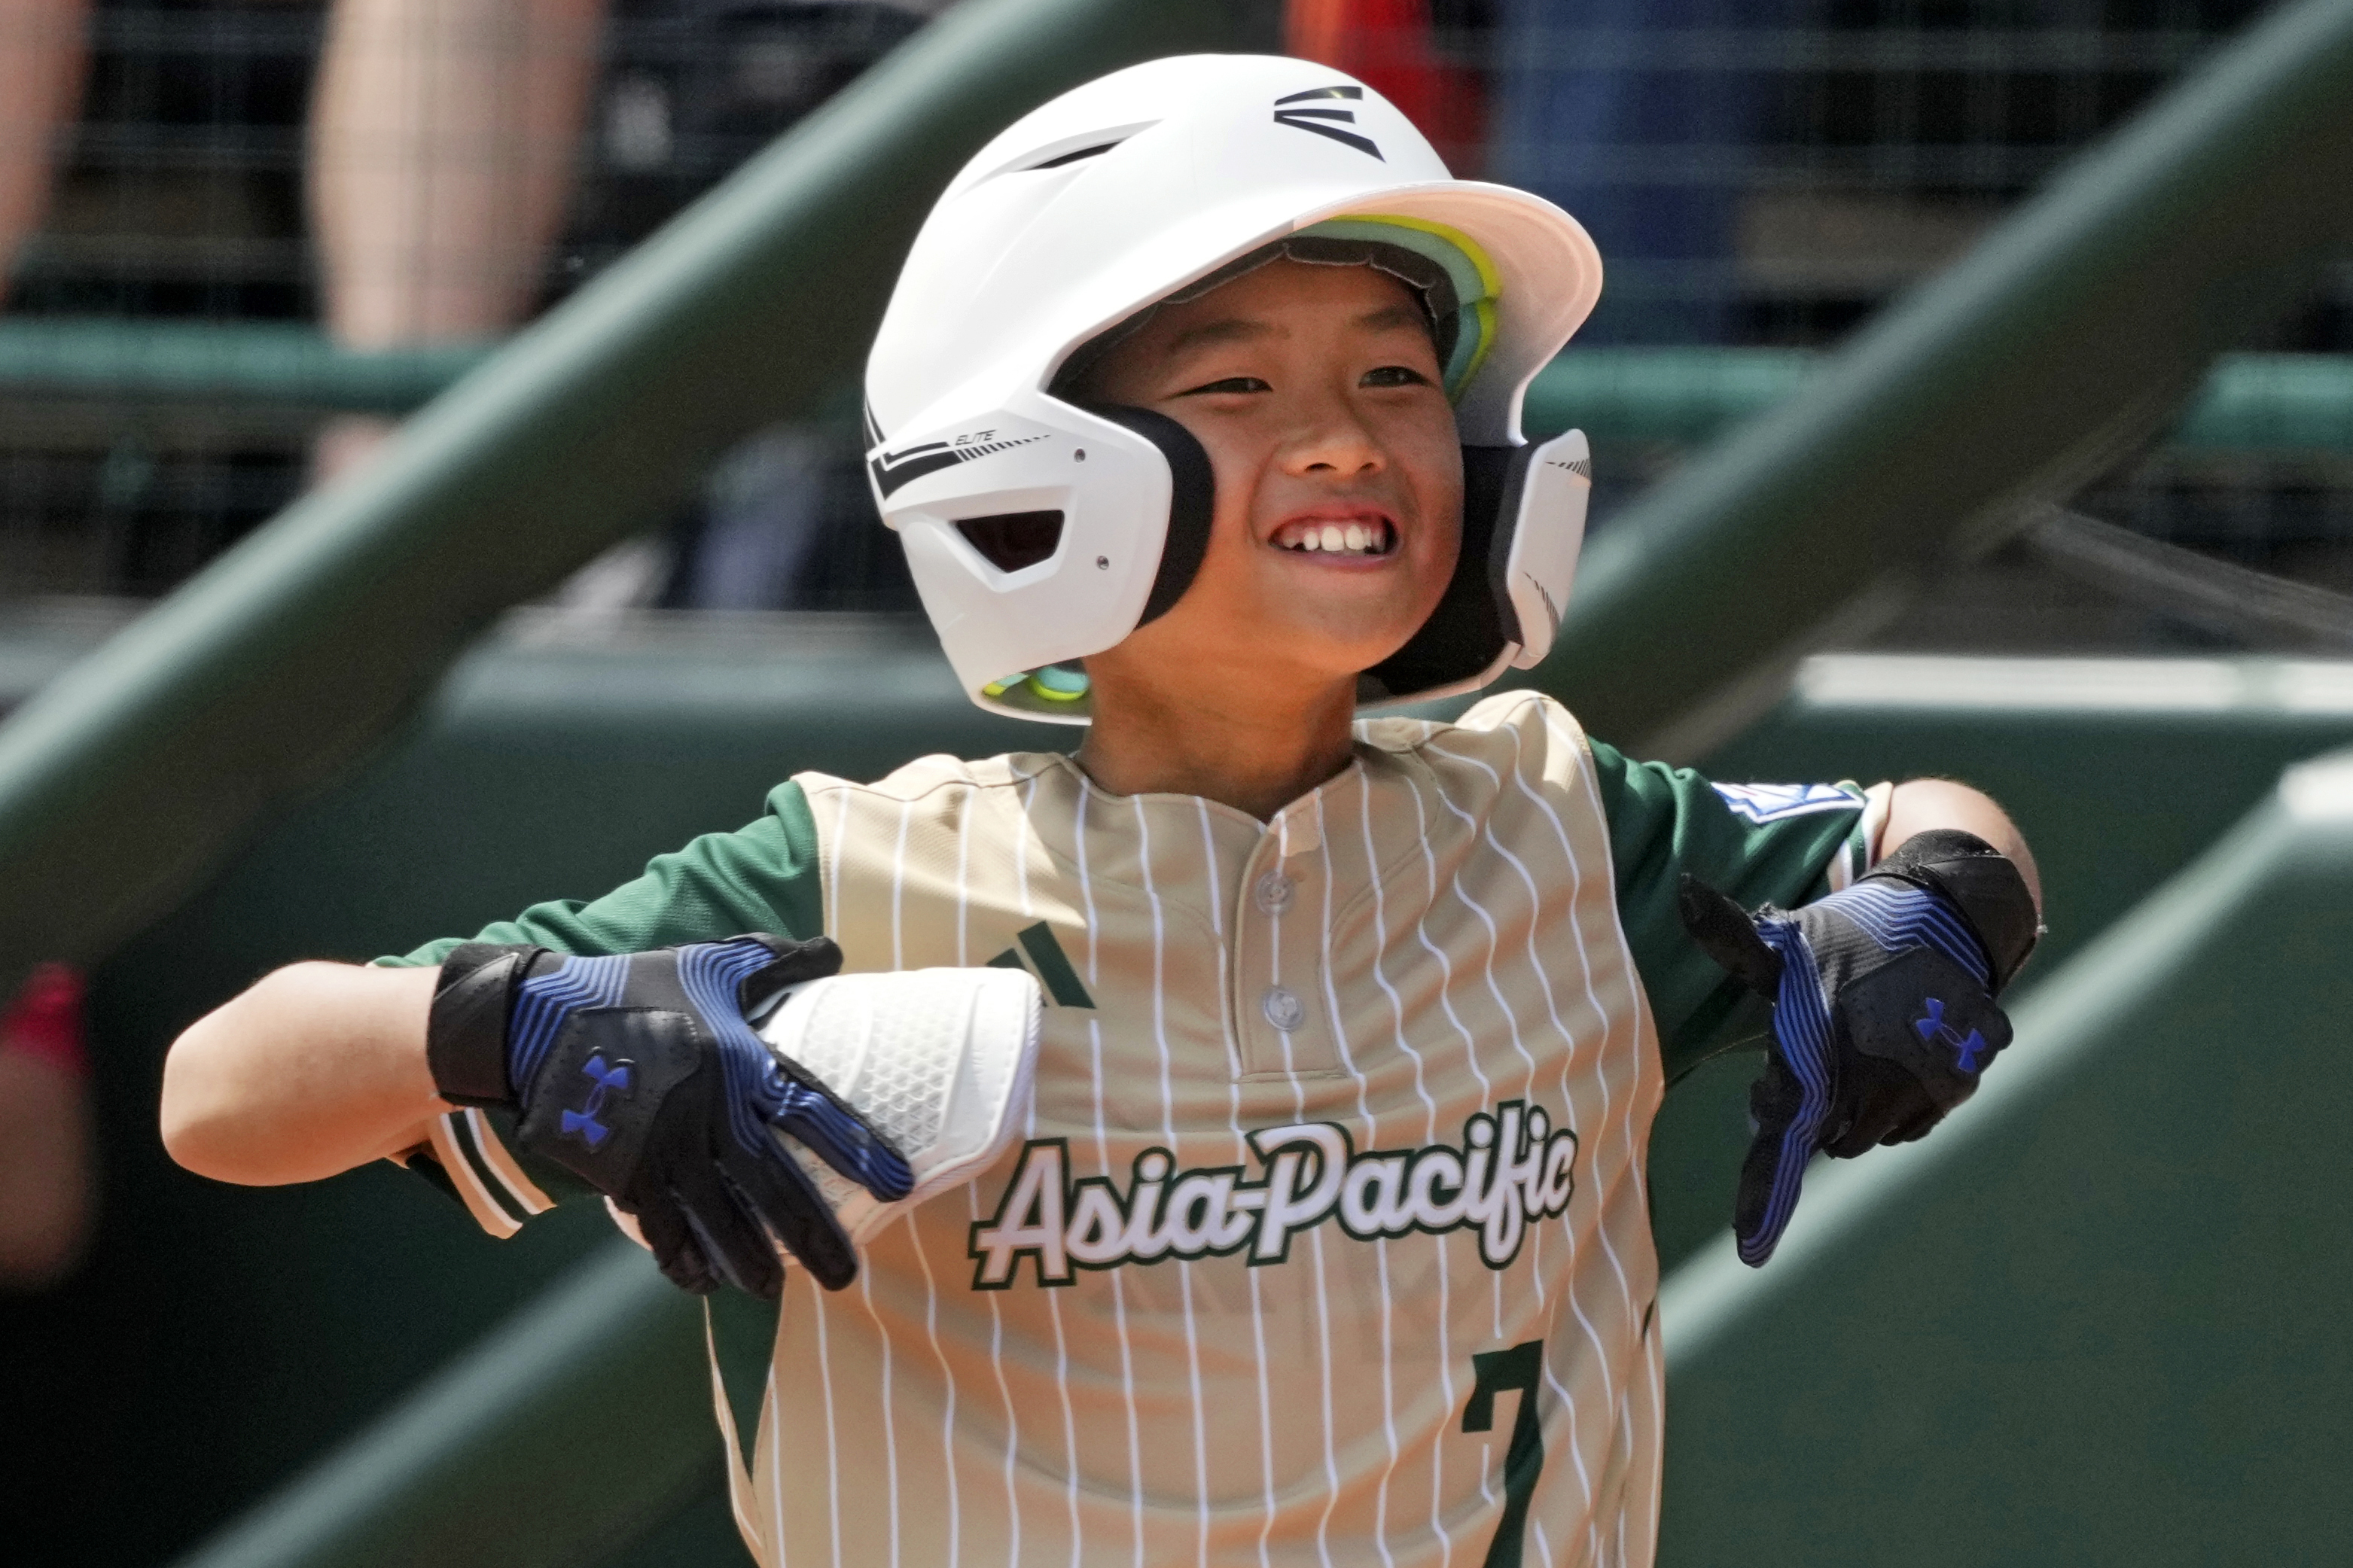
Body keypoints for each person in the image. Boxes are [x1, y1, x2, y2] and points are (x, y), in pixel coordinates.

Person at [160, 55, 2041, 1566]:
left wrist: (1942, 903)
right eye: (1238, 384)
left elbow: (1921, 824)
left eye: (1398, 378)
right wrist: (511, 1025)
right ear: (1032, 467)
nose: (1348, 437)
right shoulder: (852, 875)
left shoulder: (1562, 822)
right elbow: (223, 1092)